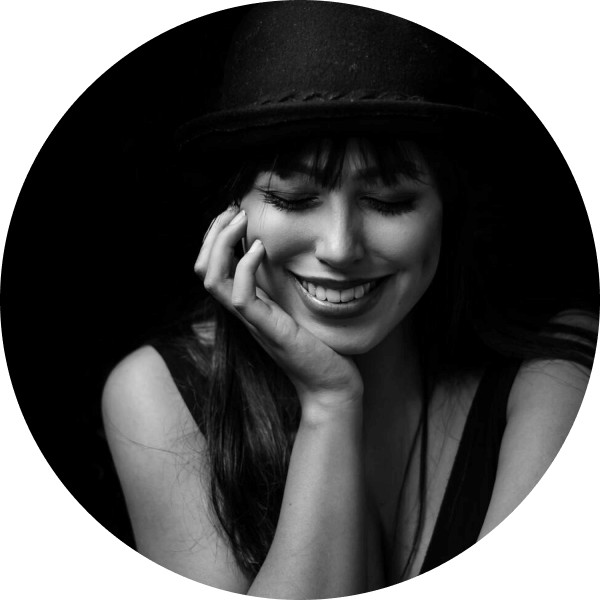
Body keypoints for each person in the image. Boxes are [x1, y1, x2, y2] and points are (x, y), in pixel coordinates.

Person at [101, 0, 597, 593]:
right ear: (234, 214)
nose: (339, 247)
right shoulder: (155, 394)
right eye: (292, 198)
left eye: (389, 202)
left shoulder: (553, 372)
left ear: (447, 212)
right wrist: (330, 404)